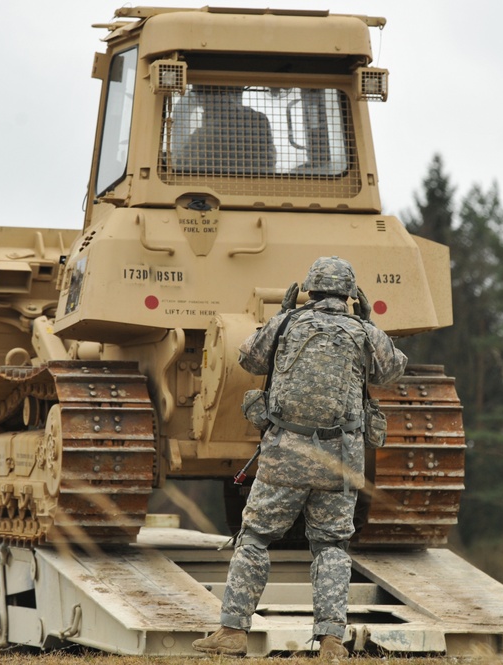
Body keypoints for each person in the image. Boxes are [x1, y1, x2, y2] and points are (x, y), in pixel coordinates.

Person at [192, 257, 408, 658]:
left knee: (255, 538)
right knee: (331, 547)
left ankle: (233, 633)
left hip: (284, 458)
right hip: (339, 462)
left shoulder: (288, 323)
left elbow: (249, 360)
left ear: (309, 289)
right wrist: (371, 320)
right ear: (349, 294)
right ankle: (330, 643)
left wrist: (281, 315)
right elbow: (392, 371)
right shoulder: (362, 331)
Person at [171, 84, 276, 174]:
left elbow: (182, 165)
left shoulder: (204, 135)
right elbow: (269, 162)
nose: (199, 100)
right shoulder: (259, 120)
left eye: (200, 94)